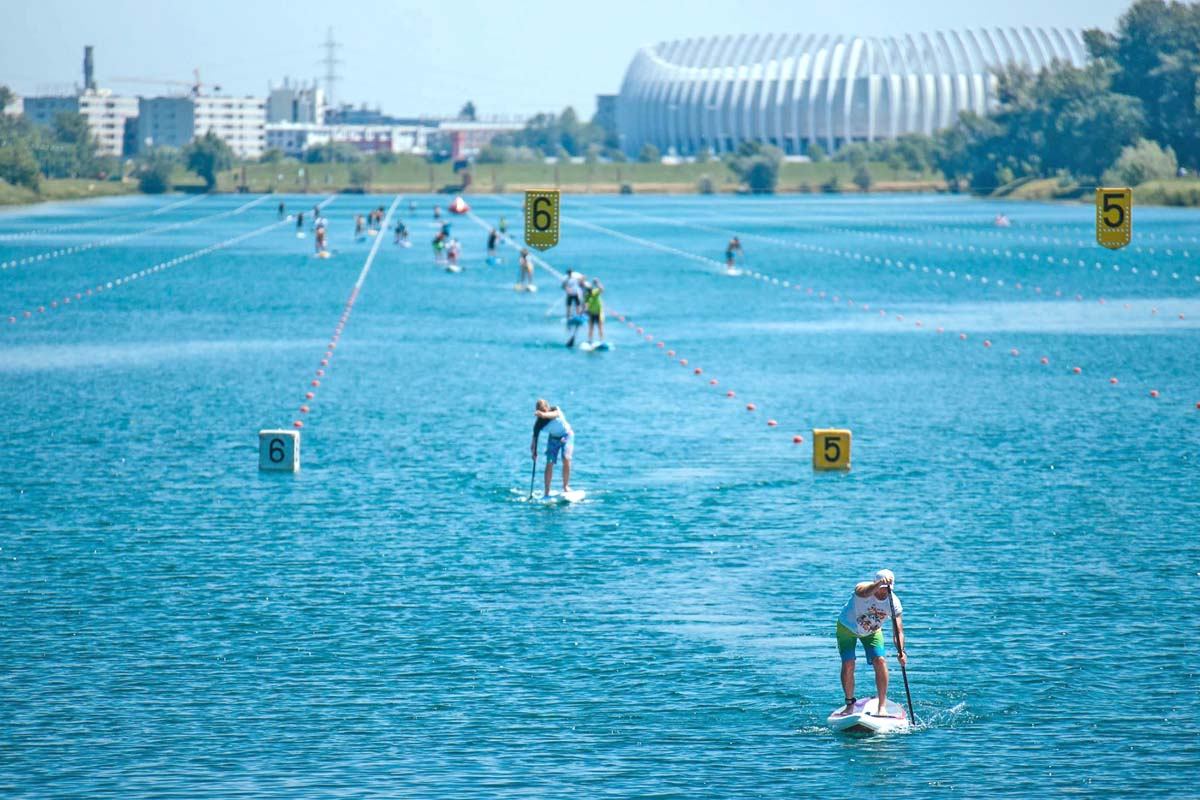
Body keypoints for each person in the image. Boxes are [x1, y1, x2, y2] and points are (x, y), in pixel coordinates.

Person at [835, 570, 906, 718]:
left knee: (880, 661)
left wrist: (901, 651)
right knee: (848, 663)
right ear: (875, 583)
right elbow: (864, 592)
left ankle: (882, 706)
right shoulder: (862, 587)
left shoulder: (894, 603)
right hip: (847, 628)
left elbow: (897, 631)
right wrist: (879, 584)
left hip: (872, 632)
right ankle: (849, 705)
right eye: (881, 588)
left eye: (887, 589)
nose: (883, 592)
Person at [531, 399, 573, 497]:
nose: (543, 413)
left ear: (547, 408)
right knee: (549, 462)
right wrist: (534, 452)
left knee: (566, 458)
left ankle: (566, 486)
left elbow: (554, 415)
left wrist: (542, 414)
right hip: (553, 438)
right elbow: (534, 441)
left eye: (544, 410)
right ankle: (547, 491)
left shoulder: (555, 409)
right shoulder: (538, 424)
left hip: (567, 435)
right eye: (540, 410)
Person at [584, 278, 605, 344]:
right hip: (591, 313)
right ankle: (590, 341)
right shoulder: (586, 295)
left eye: (588, 289)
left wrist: (597, 283)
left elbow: (602, 289)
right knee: (591, 328)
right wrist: (585, 310)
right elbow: (586, 304)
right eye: (587, 289)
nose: (588, 290)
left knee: (600, 327)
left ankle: (601, 341)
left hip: (599, 313)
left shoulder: (595, 291)